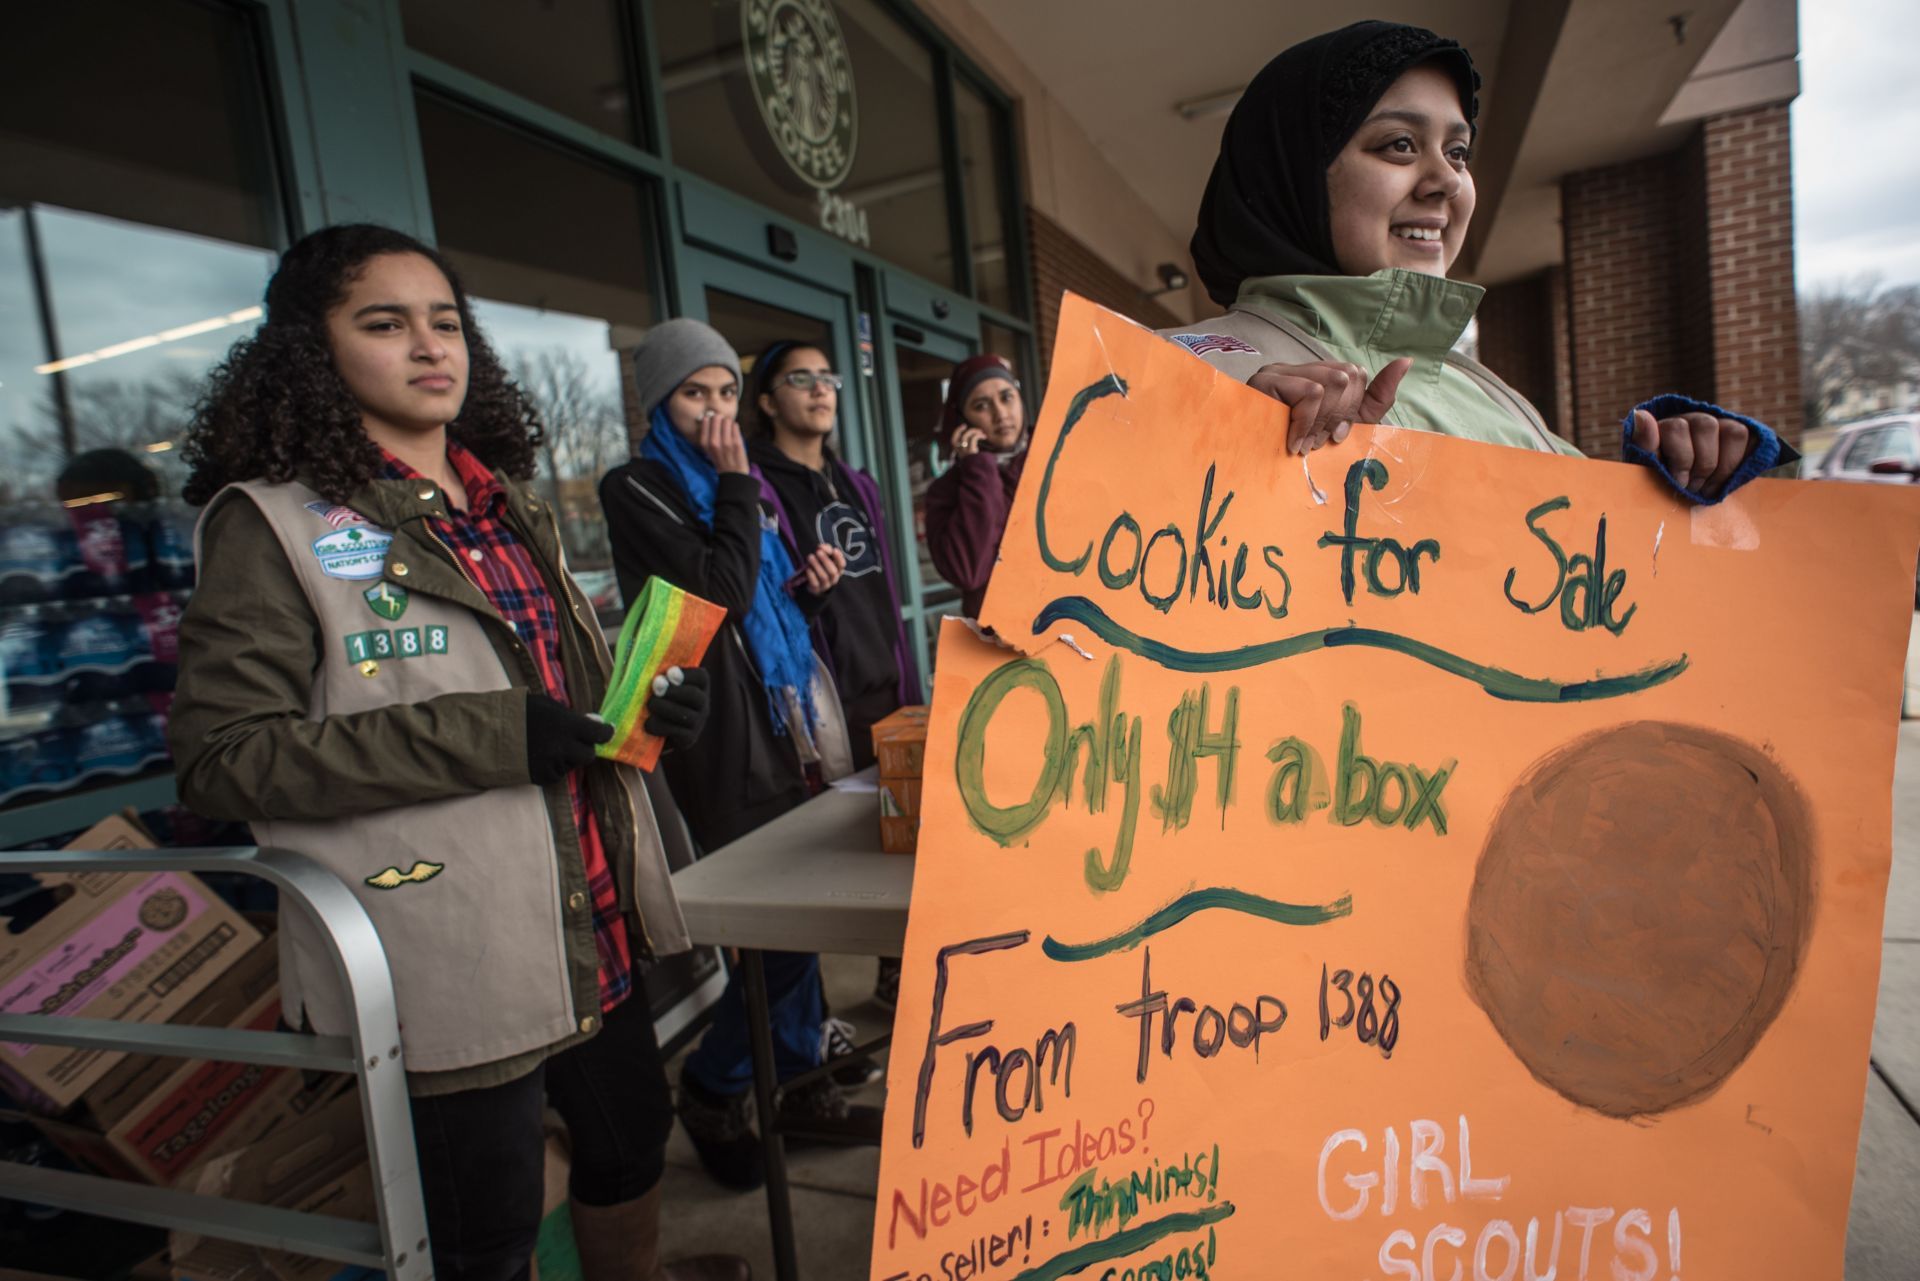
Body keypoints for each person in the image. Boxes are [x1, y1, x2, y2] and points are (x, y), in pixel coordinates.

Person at [166, 225, 745, 1281]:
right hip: (452, 943)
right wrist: (494, 737)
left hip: (591, 912)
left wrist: (652, 701)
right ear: (312, 349)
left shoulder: (509, 500)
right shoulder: (272, 526)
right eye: (383, 324)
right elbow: (225, 758)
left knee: (627, 1147)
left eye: (445, 322)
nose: (430, 347)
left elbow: (552, 690)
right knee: (489, 1228)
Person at [1167, 20, 1793, 492]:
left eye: (1459, 151)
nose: (1447, 179)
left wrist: (1677, 483)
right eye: (1400, 144)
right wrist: (1226, 431)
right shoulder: (1191, 369)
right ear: (1291, 175)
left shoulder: (1482, 391)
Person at [599, 321, 875, 1194]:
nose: (715, 412)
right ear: (659, 402)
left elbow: (757, 597)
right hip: (716, 738)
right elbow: (717, 589)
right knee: (776, 940)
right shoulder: (636, 485)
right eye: (695, 395)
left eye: (725, 393)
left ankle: (791, 1079)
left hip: (786, 718)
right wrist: (731, 483)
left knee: (798, 926)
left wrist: (805, 588)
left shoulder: (736, 484)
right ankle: (715, 1086)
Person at [746, 339, 922, 1023]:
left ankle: (891, 975)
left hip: (885, 687)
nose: (820, 390)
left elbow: (884, 589)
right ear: (767, 400)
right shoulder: (761, 485)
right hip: (823, 698)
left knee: (901, 846)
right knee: (831, 867)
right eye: (800, 378)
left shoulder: (858, 483)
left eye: (828, 377)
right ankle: (805, 1030)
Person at [922, 354, 1030, 620]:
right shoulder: (946, 491)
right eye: (981, 405)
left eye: (1006, 397)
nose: (1000, 414)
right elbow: (968, 571)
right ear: (963, 420)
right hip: (1003, 646)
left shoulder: (1055, 455)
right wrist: (978, 469)